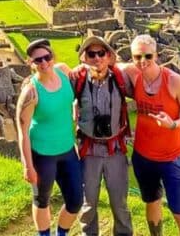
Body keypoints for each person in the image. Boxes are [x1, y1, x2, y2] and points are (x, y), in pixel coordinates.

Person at [123, 34, 180, 236]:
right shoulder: (132, 73)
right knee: (152, 201)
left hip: (171, 157)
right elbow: (103, 63)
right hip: (143, 156)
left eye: (148, 56)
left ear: (156, 55)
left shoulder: (174, 82)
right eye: (137, 56)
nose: (143, 61)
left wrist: (173, 124)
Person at [16, 39, 82, 236]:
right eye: (38, 60)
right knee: (42, 199)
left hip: (67, 150)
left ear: (53, 57)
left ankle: (61, 233)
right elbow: (23, 131)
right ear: (31, 63)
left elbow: (78, 87)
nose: (44, 63)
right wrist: (27, 165)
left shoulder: (64, 71)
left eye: (47, 57)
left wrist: (75, 105)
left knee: (76, 200)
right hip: (42, 154)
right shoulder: (31, 92)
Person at [72, 35, 133, 236]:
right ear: (84, 58)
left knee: (120, 202)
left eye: (101, 53)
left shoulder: (120, 78)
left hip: (115, 150)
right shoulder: (77, 80)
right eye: (91, 54)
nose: (97, 58)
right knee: (88, 203)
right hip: (89, 150)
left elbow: (147, 89)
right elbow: (53, 85)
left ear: (109, 56)